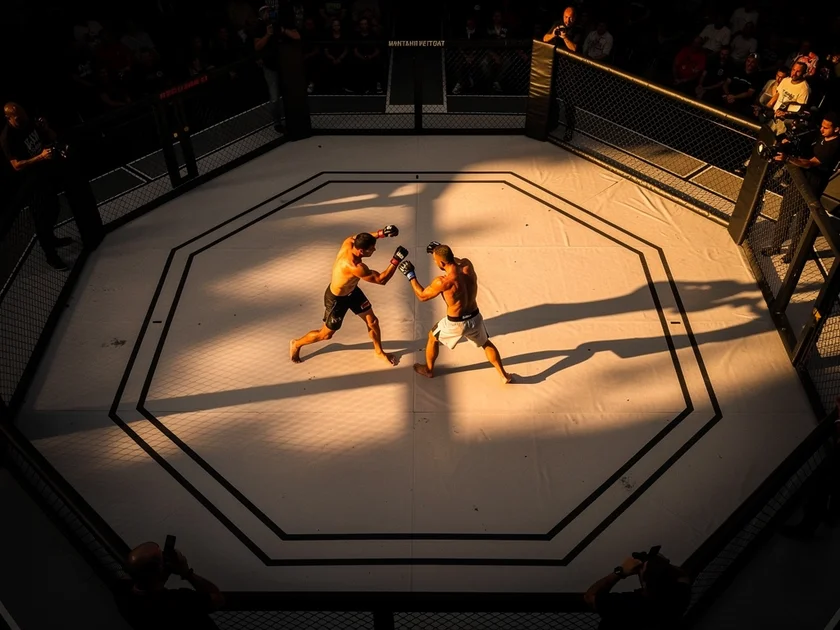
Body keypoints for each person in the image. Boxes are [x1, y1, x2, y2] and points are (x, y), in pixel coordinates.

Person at [398, 242, 513, 384]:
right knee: (486, 343)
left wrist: (411, 275)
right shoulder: (467, 265)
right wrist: (438, 249)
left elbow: (422, 296)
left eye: (435, 260)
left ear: (441, 262)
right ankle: (504, 375)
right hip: (475, 317)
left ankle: (428, 370)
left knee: (432, 336)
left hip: (456, 322)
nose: (435, 262)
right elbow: (455, 260)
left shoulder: (443, 282)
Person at [290, 226, 406, 364]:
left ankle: (379, 352)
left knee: (373, 321)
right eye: (371, 248)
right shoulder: (355, 266)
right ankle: (296, 343)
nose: (374, 250)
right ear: (362, 251)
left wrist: (382, 233)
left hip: (352, 292)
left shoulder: (349, 242)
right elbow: (381, 280)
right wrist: (396, 260)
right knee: (325, 335)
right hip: (337, 300)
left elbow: (359, 237)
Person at [1, 102, 76, 270]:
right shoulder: (8, 137)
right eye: (19, 118)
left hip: (45, 175)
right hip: (30, 183)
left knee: (54, 208)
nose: (23, 120)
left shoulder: (27, 122)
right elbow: (16, 165)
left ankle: (52, 239)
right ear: (9, 118)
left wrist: (45, 128)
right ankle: (51, 256)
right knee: (42, 219)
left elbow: (51, 136)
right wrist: (40, 157)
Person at [761, 112, 840, 262]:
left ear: (836, 129)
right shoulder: (821, 137)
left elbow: (811, 163)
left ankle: (793, 253)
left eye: (826, 128)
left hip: (812, 183)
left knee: (801, 220)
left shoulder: (833, 147)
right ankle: (776, 245)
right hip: (801, 179)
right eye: (822, 126)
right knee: (786, 212)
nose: (822, 130)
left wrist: (788, 158)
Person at [114, 540, 224, 630]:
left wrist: (161, 571)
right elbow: (216, 598)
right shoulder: (180, 602)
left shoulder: (122, 592)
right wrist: (186, 572)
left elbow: (141, 577)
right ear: (159, 571)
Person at [583, 548, 692, 629]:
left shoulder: (628, 605)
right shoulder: (679, 595)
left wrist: (620, 572)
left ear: (646, 585)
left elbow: (590, 596)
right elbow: (679, 574)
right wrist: (660, 564)